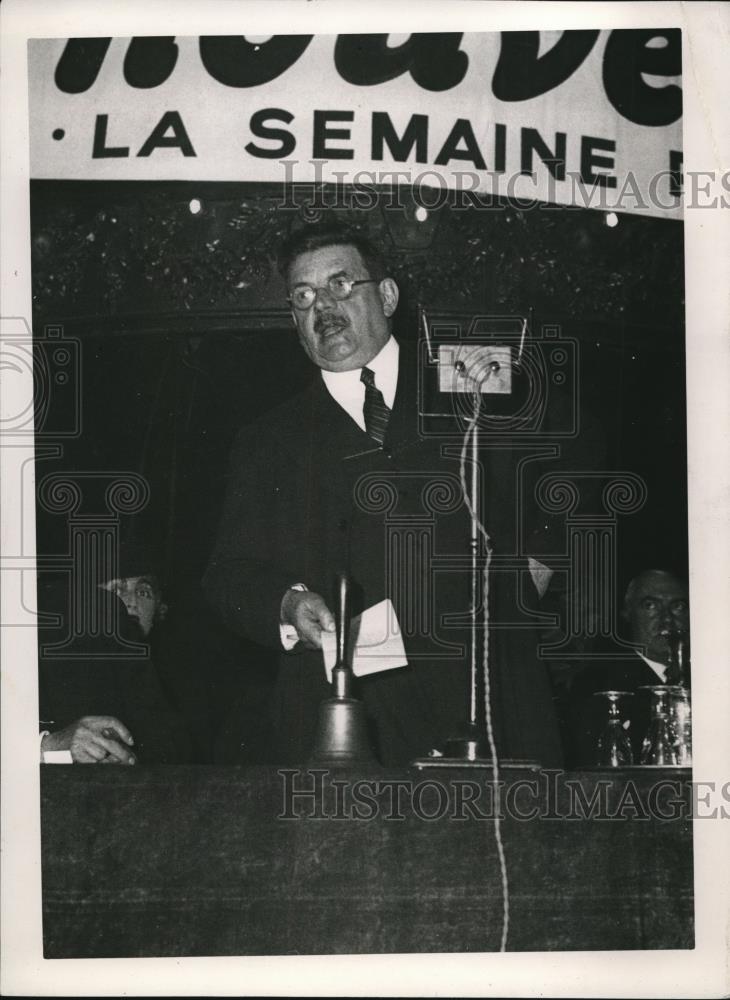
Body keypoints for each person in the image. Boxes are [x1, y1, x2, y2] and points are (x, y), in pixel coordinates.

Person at [204, 222, 569, 766]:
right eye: (303, 297)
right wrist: (287, 604)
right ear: (294, 321)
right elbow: (227, 577)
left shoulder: (473, 379)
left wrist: (529, 573)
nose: (323, 306)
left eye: (341, 284)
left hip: (487, 706)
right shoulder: (266, 439)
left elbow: (572, 469)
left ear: (389, 295)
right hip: (344, 723)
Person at [39, 541, 194, 764]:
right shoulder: (59, 666)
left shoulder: (179, 680)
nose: (130, 602)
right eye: (115, 590)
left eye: (143, 591)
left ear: (161, 608)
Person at [562, 568, 690, 766]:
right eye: (650, 606)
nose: (667, 619)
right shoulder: (598, 684)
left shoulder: (709, 678)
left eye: (678, 607)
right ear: (627, 612)